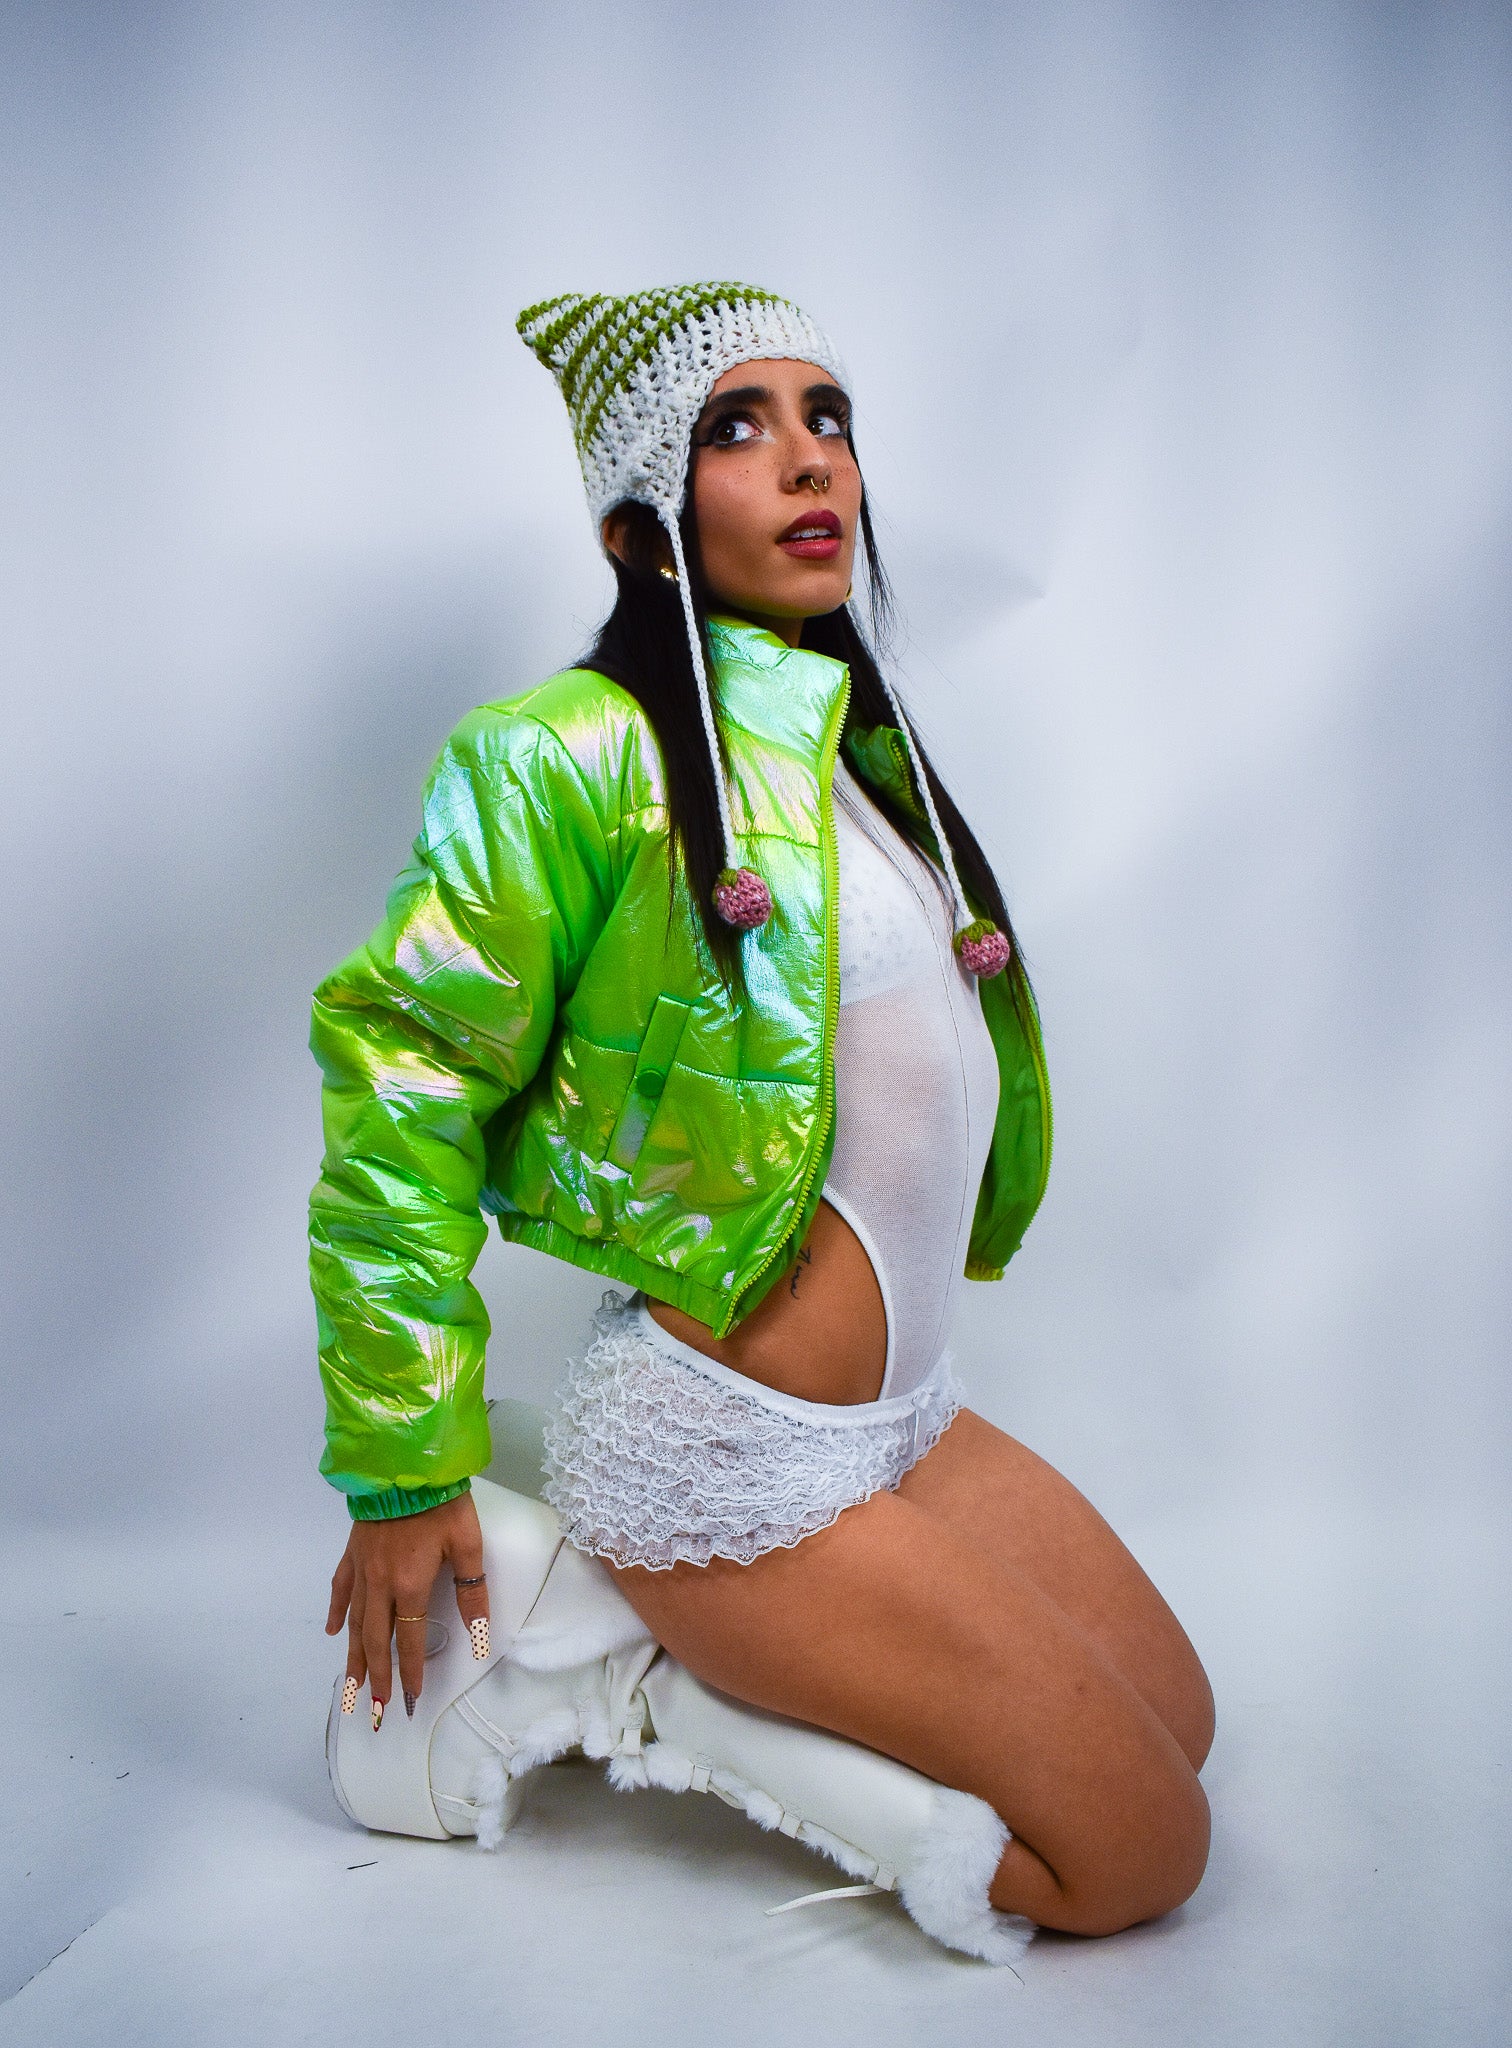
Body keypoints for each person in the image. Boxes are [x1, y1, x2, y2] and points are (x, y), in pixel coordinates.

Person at [313, 282, 1214, 1939]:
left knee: (1183, 1728)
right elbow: (404, 1080)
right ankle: (640, 1686)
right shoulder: (565, 752)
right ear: (640, 530)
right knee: (1137, 1861)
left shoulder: (847, 751)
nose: (811, 462)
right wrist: (400, 1468)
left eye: (829, 418)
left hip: (904, 1421)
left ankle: (690, 1643)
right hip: (726, 1460)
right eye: (737, 428)